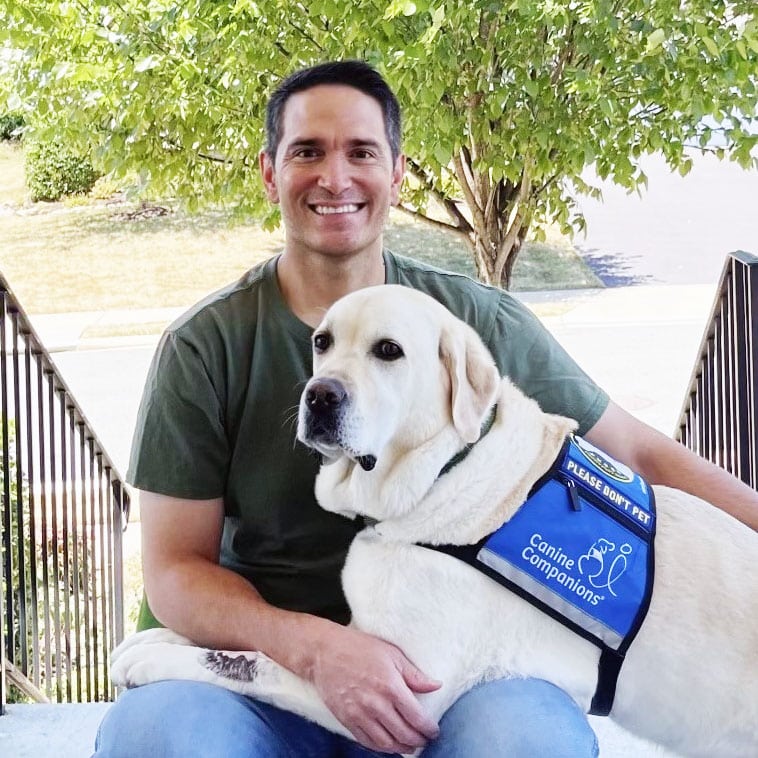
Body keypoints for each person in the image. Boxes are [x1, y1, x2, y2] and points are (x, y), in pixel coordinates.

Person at [93, 60, 758, 757]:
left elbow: (640, 453)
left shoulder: (474, 326)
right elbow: (172, 571)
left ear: (397, 172)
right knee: (157, 736)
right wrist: (315, 649)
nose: (336, 177)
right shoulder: (208, 346)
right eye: (307, 152)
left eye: (361, 152)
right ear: (270, 173)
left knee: (531, 743)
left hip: (466, 672)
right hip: (268, 675)